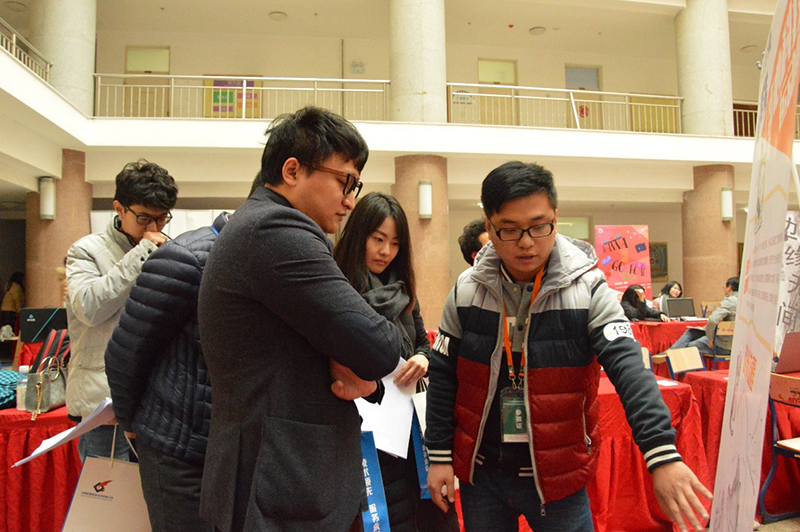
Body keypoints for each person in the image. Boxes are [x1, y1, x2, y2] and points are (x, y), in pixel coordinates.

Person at [425, 161, 711, 532]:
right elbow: (443, 374)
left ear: (556, 218)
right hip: (483, 476)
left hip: (558, 477)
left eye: (539, 225)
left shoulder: (589, 288)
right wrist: (439, 455)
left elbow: (629, 368)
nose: (526, 241)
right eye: (509, 229)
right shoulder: (466, 290)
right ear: (489, 228)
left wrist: (662, 454)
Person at [197, 106, 408, 532]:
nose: (350, 200)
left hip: (279, 473)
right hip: (281, 481)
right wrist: (363, 367)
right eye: (345, 182)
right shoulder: (277, 231)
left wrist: (361, 374)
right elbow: (381, 347)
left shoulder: (259, 224)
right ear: (292, 170)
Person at [333, 192, 459, 532]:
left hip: (411, 422)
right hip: (363, 428)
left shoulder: (403, 290)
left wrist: (421, 357)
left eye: (395, 243)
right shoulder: (337, 287)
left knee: (426, 512)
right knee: (383, 515)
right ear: (359, 235)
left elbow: (424, 344)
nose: (386, 251)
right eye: (378, 239)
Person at [105, 212, 229, 532]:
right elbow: (125, 351)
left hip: (230, 447)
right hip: (178, 446)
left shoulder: (261, 260)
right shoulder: (187, 257)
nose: (346, 203)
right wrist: (130, 420)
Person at [65, 160, 178, 462]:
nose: (153, 228)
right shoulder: (85, 250)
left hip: (154, 401)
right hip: (103, 405)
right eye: (144, 218)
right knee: (105, 491)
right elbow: (89, 308)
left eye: (162, 219)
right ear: (119, 208)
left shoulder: (168, 250)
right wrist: (142, 253)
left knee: (149, 491)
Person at [668, 277, 738, 356]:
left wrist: (710, 338)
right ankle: (670, 353)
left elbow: (713, 320)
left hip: (723, 346)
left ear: (729, 288)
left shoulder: (729, 302)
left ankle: (670, 355)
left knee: (690, 347)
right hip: (737, 346)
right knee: (692, 333)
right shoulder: (743, 301)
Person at [0, 272, 24, 361]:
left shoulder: (9, 286)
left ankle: (4, 352)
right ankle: (9, 353)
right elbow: (17, 300)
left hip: (4, 311)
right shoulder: (16, 287)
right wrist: (19, 311)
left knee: (5, 333)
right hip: (11, 312)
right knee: (11, 334)